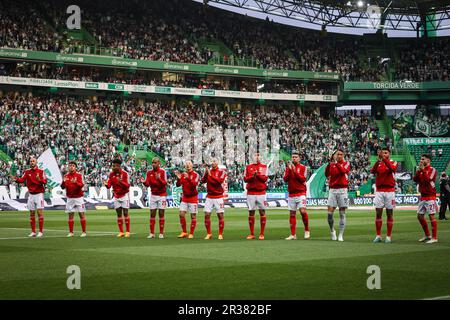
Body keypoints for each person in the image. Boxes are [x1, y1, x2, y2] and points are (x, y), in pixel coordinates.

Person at [10, 157, 47, 237]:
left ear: (36, 162)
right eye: (31, 161)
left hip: (39, 194)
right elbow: (22, 180)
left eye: (33, 161)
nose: (32, 162)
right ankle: (33, 232)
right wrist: (15, 179)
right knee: (31, 213)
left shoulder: (41, 171)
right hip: (31, 195)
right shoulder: (27, 172)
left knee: (39, 212)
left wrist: (39, 179)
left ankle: (40, 232)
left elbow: (45, 181)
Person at [370, 147, 398, 243]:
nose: (384, 154)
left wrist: (384, 160)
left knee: (389, 214)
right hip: (379, 191)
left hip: (390, 191)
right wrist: (378, 161)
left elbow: (392, 168)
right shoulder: (379, 163)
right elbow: (372, 171)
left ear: (389, 154)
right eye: (383, 153)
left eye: (386, 153)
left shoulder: (393, 162)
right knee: (378, 213)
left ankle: (388, 236)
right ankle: (378, 235)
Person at [283, 151, 310, 240]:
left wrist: (295, 171)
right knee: (292, 214)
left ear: (299, 158)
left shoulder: (303, 167)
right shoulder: (288, 168)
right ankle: (293, 234)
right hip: (291, 193)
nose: (294, 158)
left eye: (296, 157)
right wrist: (290, 170)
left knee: (302, 211)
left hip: (301, 193)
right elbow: (285, 179)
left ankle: (306, 230)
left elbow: (303, 179)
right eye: (293, 157)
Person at [325, 149, 350, 242]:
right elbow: (326, 174)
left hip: (343, 190)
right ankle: (332, 231)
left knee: (342, 213)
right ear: (334, 155)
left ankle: (340, 234)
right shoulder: (331, 165)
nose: (339, 156)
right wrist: (329, 164)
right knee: (329, 214)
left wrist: (336, 163)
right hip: (332, 190)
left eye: (341, 154)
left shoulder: (346, 163)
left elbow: (343, 171)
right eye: (337, 154)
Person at [413, 154, 438, 244]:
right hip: (423, 196)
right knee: (420, 216)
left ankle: (434, 237)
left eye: (423, 159)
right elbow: (415, 179)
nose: (421, 161)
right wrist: (418, 171)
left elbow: (428, 180)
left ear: (428, 161)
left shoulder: (433, 170)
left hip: (430, 196)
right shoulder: (421, 170)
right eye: (420, 159)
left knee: (431, 216)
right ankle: (428, 235)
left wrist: (423, 170)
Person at [244, 152, 268, 240]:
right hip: (251, 193)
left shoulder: (264, 167)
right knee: (251, 212)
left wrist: (257, 175)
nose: (257, 157)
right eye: (255, 155)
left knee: (262, 212)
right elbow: (245, 179)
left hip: (261, 193)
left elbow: (265, 179)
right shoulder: (248, 167)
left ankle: (262, 233)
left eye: (258, 155)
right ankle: (252, 233)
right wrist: (252, 177)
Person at [141, 157, 167, 239]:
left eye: (155, 163)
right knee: (152, 214)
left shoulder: (163, 172)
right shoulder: (149, 173)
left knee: (161, 213)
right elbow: (148, 184)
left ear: (159, 163)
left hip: (162, 195)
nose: (153, 164)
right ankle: (152, 233)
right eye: (152, 163)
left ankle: (161, 233)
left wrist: (159, 179)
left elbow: (165, 183)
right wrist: (144, 182)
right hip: (153, 195)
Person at [104, 159, 131, 238]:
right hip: (116, 196)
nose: (112, 167)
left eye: (114, 166)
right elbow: (109, 186)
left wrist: (120, 182)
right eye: (112, 165)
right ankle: (121, 232)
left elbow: (128, 185)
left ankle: (128, 231)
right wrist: (106, 184)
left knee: (125, 213)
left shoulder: (125, 174)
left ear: (118, 166)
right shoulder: (111, 174)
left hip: (124, 195)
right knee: (119, 214)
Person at [201, 158, 227, 240]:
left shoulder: (222, 172)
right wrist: (206, 174)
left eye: (214, 161)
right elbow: (203, 181)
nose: (212, 163)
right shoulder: (209, 171)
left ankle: (220, 234)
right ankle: (209, 233)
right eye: (211, 161)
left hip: (218, 196)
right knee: (207, 215)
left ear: (217, 163)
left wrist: (211, 175)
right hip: (209, 196)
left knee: (220, 215)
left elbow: (219, 181)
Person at [61, 161, 86, 237]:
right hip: (70, 198)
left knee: (81, 214)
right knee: (70, 215)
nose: (71, 167)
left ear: (75, 167)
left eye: (73, 165)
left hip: (79, 198)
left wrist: (76, 183)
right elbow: (62, 187)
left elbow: (82, 185)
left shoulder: (79, 175)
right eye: (70, 165)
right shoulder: (66, 176)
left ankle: (84, 232)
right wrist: (63, 181)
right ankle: (71, 232)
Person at [175, 160, 199, 239]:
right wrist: (178, 179)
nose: (188, 165)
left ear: (192, 165)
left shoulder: (196, 175)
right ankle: (184, 232)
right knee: (181, 214)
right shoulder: (183, 175)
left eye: (189, 164)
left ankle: (191, 233)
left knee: (193, 216)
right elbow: (178, 185)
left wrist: (188, 177)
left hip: (193, 198)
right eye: (186, 164)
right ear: (185, 166)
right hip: (185, 197)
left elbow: (194, 184)